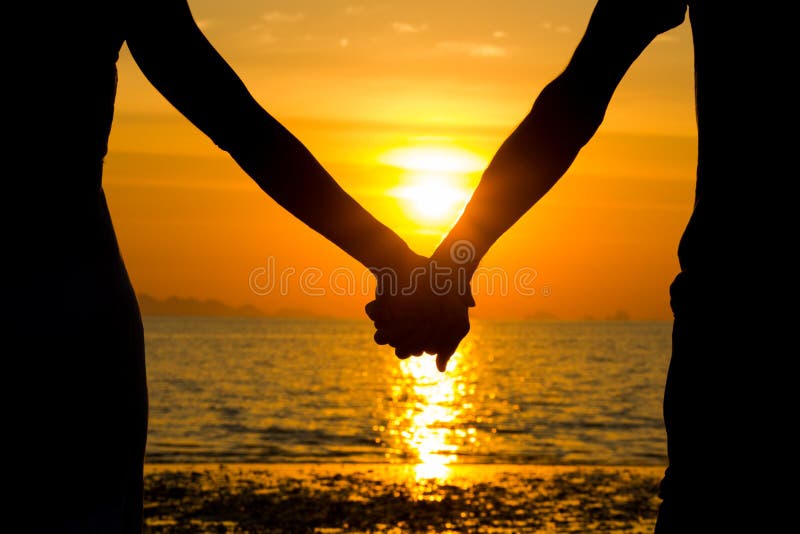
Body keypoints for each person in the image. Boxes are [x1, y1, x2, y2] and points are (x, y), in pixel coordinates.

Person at [368, 0, 789, 530]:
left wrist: (455, 262)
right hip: (727, 321)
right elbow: (578, 97)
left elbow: (580, 93)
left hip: (732, 324)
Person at [7, 1, 426, 532]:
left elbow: (235, 119)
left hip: (74, 295)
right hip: (70, 294)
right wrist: (394, 262)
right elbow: (235, 120)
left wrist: (392, 260)